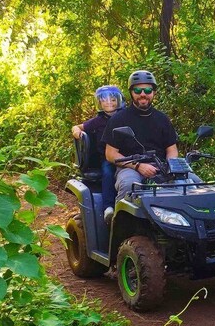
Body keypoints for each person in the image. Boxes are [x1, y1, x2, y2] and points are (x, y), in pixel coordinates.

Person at [102, 70, 179, 202]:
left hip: (160, 167)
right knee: (129, 186)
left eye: (148, 90)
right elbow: (110, 154)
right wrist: (138, 166)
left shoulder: (162, 119)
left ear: (154, 92)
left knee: (191, 183)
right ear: (131, 93)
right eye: (138, 91)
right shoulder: (118, 119)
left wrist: (170, 166)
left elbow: (172, 149)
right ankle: (121, 222)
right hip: (129, 168)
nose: (143, 94)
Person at [71, 85, 125, 223]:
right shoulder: (98, 120)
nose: (109, 103)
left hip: (127, 156)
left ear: (119, 100)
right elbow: (78, 126)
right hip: (107, 158)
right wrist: (77, 132)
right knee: (107, 172)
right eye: (105, 100)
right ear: (99, 103)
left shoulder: (126, 116)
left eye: (112, 99)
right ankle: (108, 207)